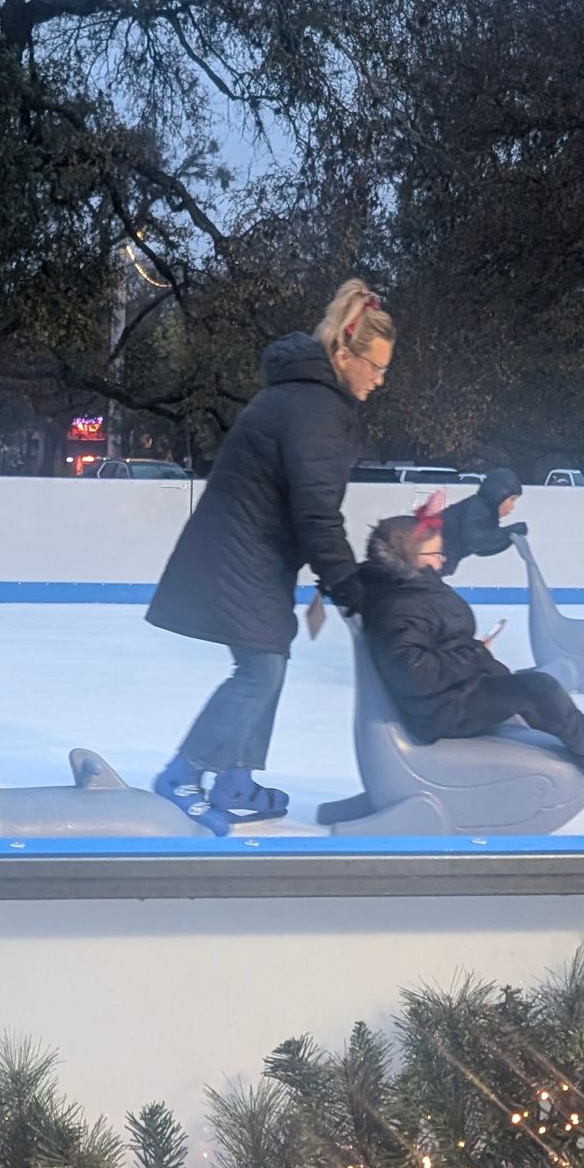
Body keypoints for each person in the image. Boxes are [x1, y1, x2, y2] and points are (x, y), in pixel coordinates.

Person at [147, 279, 396, 828]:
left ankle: (236, 779)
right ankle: (182, 775)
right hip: (240, 554)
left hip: (251, 553)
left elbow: (306, 509)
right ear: (343, 353)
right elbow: (315, 514)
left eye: (385, 369)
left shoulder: (304, 396)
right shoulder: (315, 408)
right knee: (260, 669)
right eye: (374, 366)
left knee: (270, 662)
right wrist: (348, 585)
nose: (379, 380)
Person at [357, 502, 584, 775]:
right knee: (540, 688)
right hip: (440, 711)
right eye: (435, 554)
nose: (442, 561)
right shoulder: (400, 605)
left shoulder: (412, 590)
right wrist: (473, 653)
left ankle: (583, 733)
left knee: (531, 685)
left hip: (451, 694)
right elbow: (415, 672)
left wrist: (474, 653)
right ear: (411, 559)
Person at [439, 468, 527, 580]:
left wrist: (509, 537)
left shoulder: (484, 511)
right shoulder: (477, 508)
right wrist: (508, 532)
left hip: (428, 567)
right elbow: (475, 540)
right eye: (512, 499)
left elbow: (482, 550)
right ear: (499, 494)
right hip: (421, 563)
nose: (512, 507)